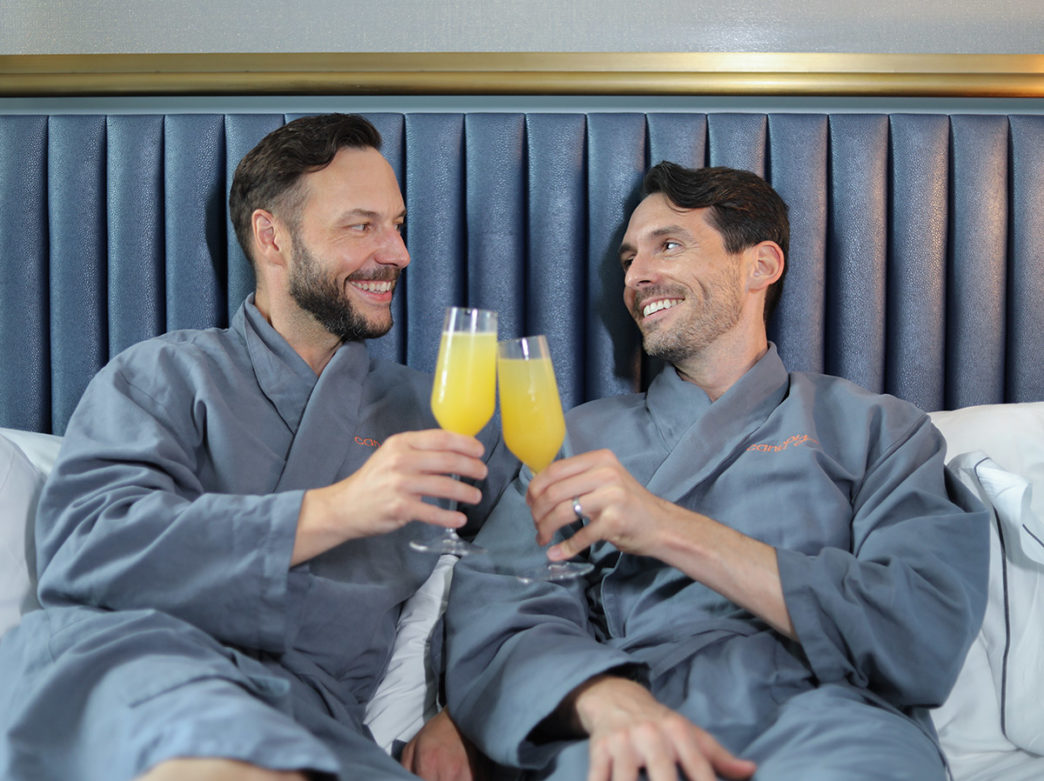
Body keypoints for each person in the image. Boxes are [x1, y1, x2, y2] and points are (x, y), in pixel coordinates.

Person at [0, 113, 514, 781]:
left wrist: (469, 705)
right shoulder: (160, 376)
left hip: (320, 725)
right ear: (272, 236)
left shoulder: (437, 409)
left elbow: (538, 557)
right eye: (362, 225)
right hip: (146, 670)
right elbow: (89, 547)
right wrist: (336, 509)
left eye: (398, 224)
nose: (398, 253)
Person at [443, 162, 990, 781]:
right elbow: (501, 609)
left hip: (835, 723)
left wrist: (665, 528)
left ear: (761, 266)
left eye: (668, 245)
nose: (637, 276)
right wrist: (600, 700)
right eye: (628, 259)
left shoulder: (878, 431)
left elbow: (923, 630)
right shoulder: (573, 440)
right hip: (639, 724)